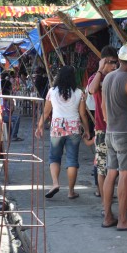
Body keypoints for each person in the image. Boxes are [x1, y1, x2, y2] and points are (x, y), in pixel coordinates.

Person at [87, 45, 127, 212]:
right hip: (125, 133)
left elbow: (103, 106)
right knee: (125, 173)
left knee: (111, 173)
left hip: (110, 132)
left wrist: (109, 122)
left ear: (120, 60)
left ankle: (108, 215)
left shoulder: (107, 78)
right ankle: (123, 219)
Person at [35, 66, 90, 199]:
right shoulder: (79, 93)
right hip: (74, 128)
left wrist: (39, 126)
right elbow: (82, 114)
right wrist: (87, 130)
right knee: (72, 160)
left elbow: (46, 111)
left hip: (57, 128)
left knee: (54, 157)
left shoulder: (52, 92)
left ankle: (55, 183)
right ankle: (71, 192)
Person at [1, 73, 23, 141]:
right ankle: (14, 136)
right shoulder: (6, 95)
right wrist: (12, 102)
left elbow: (10, 111)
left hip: (3, 115)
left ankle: (12, 135)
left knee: (13, 118)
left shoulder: (3, 94)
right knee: (16, 118)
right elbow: (11, 110)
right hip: (1, 116)